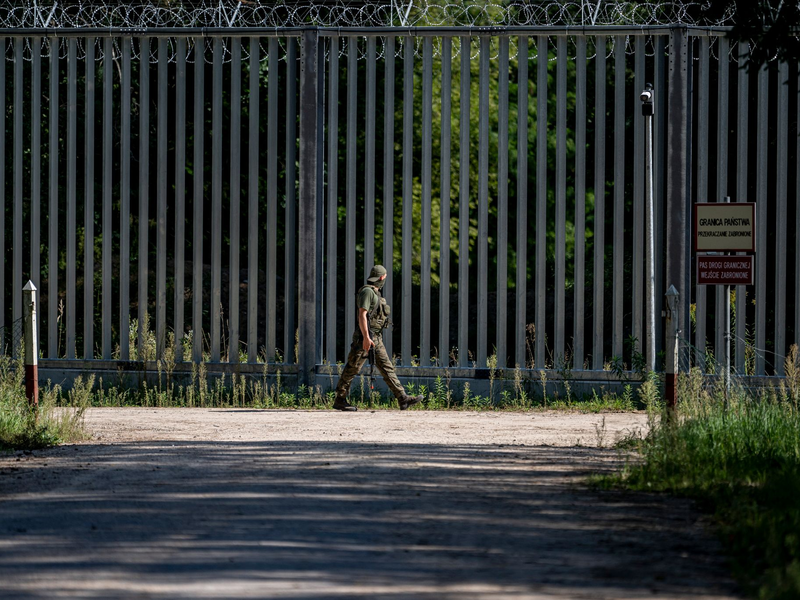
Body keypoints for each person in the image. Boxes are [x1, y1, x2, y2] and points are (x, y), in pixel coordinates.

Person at [333, 265, 424, 412]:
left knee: (387, 367)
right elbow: (362, 315)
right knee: (353, 367)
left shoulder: (375, 292)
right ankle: (340, 399)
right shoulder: (367, 292)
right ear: (382, 278)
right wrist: (366, 337)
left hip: (375, 337)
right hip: (365, 337)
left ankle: (402, 398)